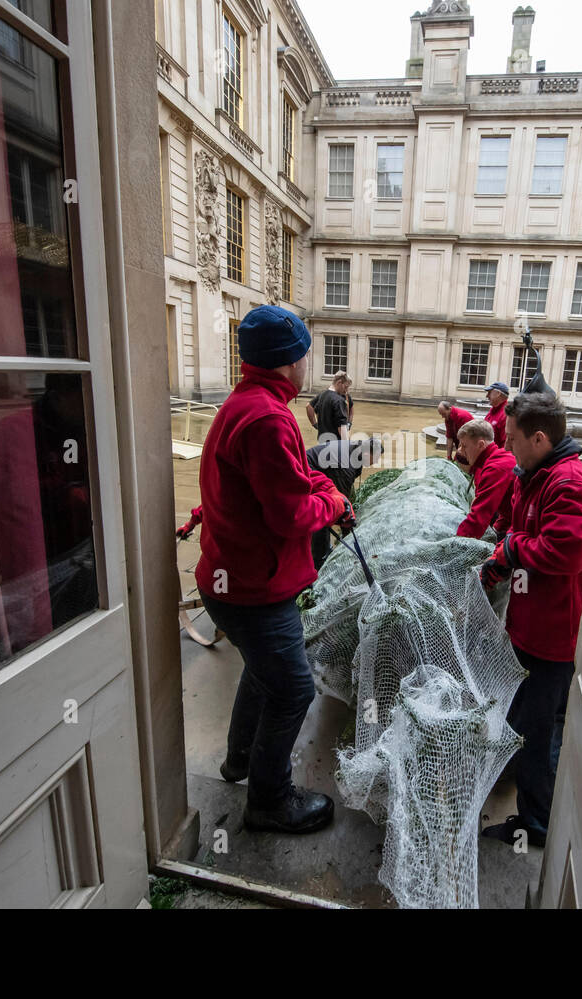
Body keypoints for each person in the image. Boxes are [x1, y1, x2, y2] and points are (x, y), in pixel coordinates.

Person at [179, 304, 354, 834]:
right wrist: (336, 506)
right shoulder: (269, 418)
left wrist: (322, 488)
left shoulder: (244, 403)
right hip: (255, 589)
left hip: (231, 579)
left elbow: (301, 477)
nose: (308, 365)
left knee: (262, 673)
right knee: (293, 690)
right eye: (304, 354)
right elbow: (292, 513)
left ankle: (238, 761)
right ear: (289, 361)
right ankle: (270, 800)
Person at [479, 392, 582, 848]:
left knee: (536, 731)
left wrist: (511, 550)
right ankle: (519, 783)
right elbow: (520, 531)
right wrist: (497, 561)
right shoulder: (534, 474)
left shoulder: (568, 483)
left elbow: (565, 552)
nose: (506, 447)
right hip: (529, 624)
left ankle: (537, 824)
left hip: (552, 637)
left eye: (511, 439)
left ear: (540, 438)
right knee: (523, 717)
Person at [307, 435, 381, 569]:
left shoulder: (356, 450)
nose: (374, 463)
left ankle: (323, 551)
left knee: (330, 510)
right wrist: (348, 533)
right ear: (366, 453)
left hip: (321, 469)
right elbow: (341, 504)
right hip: (308, 471)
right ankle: (319, 561)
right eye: (374, 459)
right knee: (325, 513)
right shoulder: (346, 466)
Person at [454, 419, 516, 540]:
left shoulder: (495, 468)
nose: (461, 451)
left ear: (481, 445)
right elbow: (509, 506)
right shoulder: (497, 458)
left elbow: (479, 516)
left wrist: (457, 543)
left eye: (464, 446)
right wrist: (498, 528)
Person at [306, 371, 352, 442]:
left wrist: (315, 424)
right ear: (339, 383)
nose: (346, 391)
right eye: (346, 387)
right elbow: (342, 427)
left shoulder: (322, 395)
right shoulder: (339, 400)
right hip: (335, 444)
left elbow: (311, 407)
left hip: (322, 441)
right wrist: (347, 447)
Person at [437, 399, 475, 464]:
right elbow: (449, 438)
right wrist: (449, 457)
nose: (442, 417)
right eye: (441, 414)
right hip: (461, 446)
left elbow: (464, 439)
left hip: (471, 447)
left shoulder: (462, 416)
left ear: (449, 409)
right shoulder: (448, 419)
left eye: (443, 414)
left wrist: (456, 457)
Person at [483, 381, 509, 450]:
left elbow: (506, 444)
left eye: (489, 393)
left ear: (498, 393)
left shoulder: (506, 415)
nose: (487, 396)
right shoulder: (493, 410)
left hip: (496, 457)